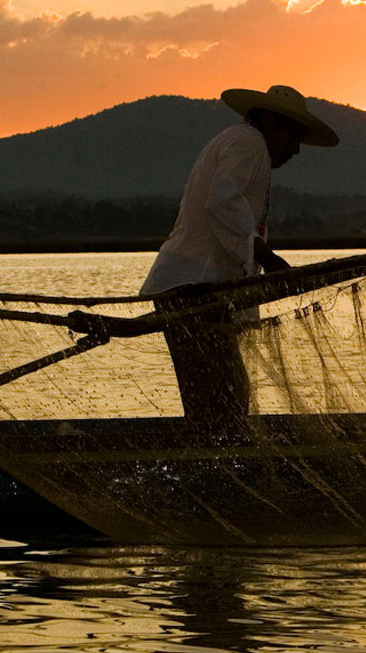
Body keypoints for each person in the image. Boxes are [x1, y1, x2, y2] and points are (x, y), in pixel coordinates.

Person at [140, 85, 339, 425]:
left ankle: (212, 458)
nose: (296, 150)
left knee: (221, 397)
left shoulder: (242, 143)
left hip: (194, 289)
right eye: (292, 137)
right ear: (269, 122)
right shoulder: (249, 144)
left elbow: (232, 214)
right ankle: (215, 463)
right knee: (222, 399)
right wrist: (269, 258)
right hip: (193, 289)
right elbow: (222, 203)